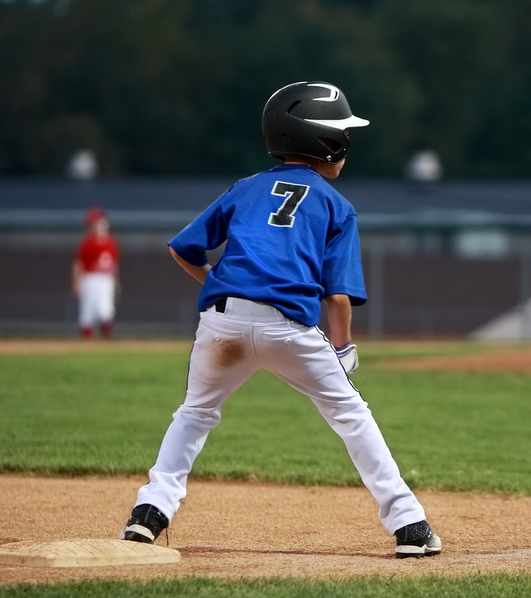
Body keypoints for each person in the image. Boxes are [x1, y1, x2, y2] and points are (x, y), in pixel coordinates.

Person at [119, 81, 442, 558]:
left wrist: (216, 283)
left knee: (194, 414)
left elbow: (183, 247)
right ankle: (410, 526)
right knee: (351, 415)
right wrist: (344, 348)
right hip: (289, 326)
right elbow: (337, 297)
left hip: (222, 320)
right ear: (326, 142)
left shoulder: (246, 188)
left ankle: (148, 515)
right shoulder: (336, 205)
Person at [73, 207, 119, 339]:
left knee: (106, 311)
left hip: (106, 279)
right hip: (90, 278)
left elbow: (114, 265)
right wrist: (76, 282)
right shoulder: (87, 243)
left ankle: (106, 341)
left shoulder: (111, 242)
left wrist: (116, 281)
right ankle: (86, 342)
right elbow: (78, 264)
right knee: (87, 311)